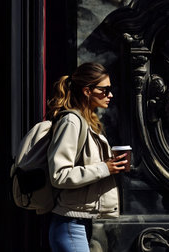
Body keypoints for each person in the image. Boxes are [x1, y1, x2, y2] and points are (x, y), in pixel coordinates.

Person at [46, 62, 127, 252]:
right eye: (105, 90)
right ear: (87, 91)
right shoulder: (71, 122)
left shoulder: (87, 122)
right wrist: (105, 168)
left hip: (81, 222)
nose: (110, 95)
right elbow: (59, 175)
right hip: (69, 224)